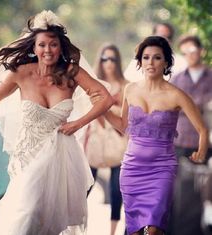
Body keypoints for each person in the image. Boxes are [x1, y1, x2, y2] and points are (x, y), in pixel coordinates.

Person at [0, 10, 113, 235]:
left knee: (48, 221)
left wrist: (78, 123)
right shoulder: (21, 72)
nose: (47, 50)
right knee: (26, 213)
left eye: (53, 45)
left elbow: (105, 98)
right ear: (34, 47)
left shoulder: (72, 73)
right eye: (42, 45)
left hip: (61, 154)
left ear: (61, 47)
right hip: (28, 155)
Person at [89, 36, 208, 235]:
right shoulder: (131, 89)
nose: (150, 63)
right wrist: (102, 110)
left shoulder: (176, 94)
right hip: (132, 169)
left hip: (162, 169)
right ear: (140, 61)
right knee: (134, 230)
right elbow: (123, 126)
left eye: (157, 58)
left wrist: (201, 152)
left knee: (154, 230)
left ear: (166, 62)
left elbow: (202, 129)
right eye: (146, 58)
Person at [85, 43, 128, 235]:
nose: (108, 62)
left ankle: (112, 231)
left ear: (117, 61)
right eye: (104, 58)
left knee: (116, 189)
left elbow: (128, 116)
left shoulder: (126, 86)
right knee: (85, 185)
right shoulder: (92, 83)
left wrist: (110, 107)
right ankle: (78, 228)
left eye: (112, 58)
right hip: (94, 139)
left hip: (118, 141)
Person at [171, 35, 212, 163]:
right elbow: (171, 106)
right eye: (184, 53)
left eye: (192, 51)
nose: (189, 55)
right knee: (180, 181)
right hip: (181, 140)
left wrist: (186, 104)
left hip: (207, 141)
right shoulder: (176, 79)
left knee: (206, 182)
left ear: (201, 50)